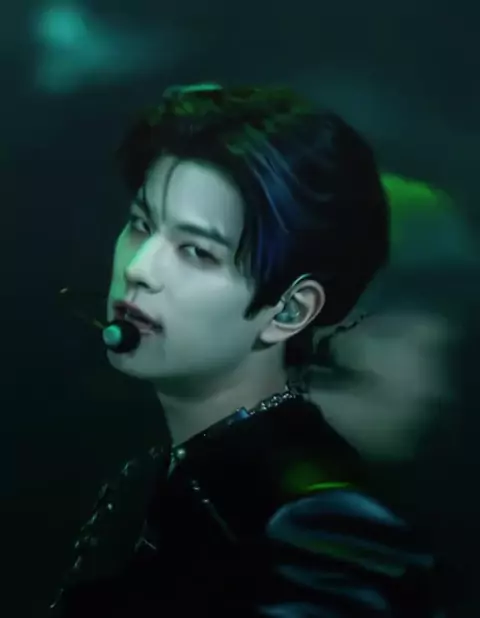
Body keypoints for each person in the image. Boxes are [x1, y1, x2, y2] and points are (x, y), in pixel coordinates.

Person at [49, 83, 444, 617]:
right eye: (141, 225)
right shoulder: (149, 481)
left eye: (196, 251)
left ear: (290, 310)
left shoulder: (322, 521)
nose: (140, 269)